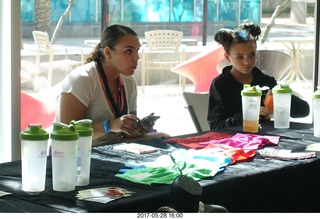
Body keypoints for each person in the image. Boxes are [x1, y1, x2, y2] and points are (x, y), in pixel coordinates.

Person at [55, 24, 168, 146]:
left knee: (164, 138)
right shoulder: (82, 79)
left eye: (137, 50)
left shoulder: (129, 81)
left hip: (114, 146)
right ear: (108, 53)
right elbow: (67, 133)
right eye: (128, 51)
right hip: (79, 152)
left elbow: (124, 133)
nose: (136, 57)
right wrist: (109, 125)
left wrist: (137, 128)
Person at [208, 20, 310, 130]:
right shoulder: (220, 85)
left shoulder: (264, 81)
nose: (247, 62)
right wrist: (248, 115)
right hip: (233, 143)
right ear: (228, 57)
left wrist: (281, 100)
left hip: (266, 139)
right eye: (240, 57)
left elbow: (304, 111)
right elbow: (215, 126)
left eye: (252, 55)